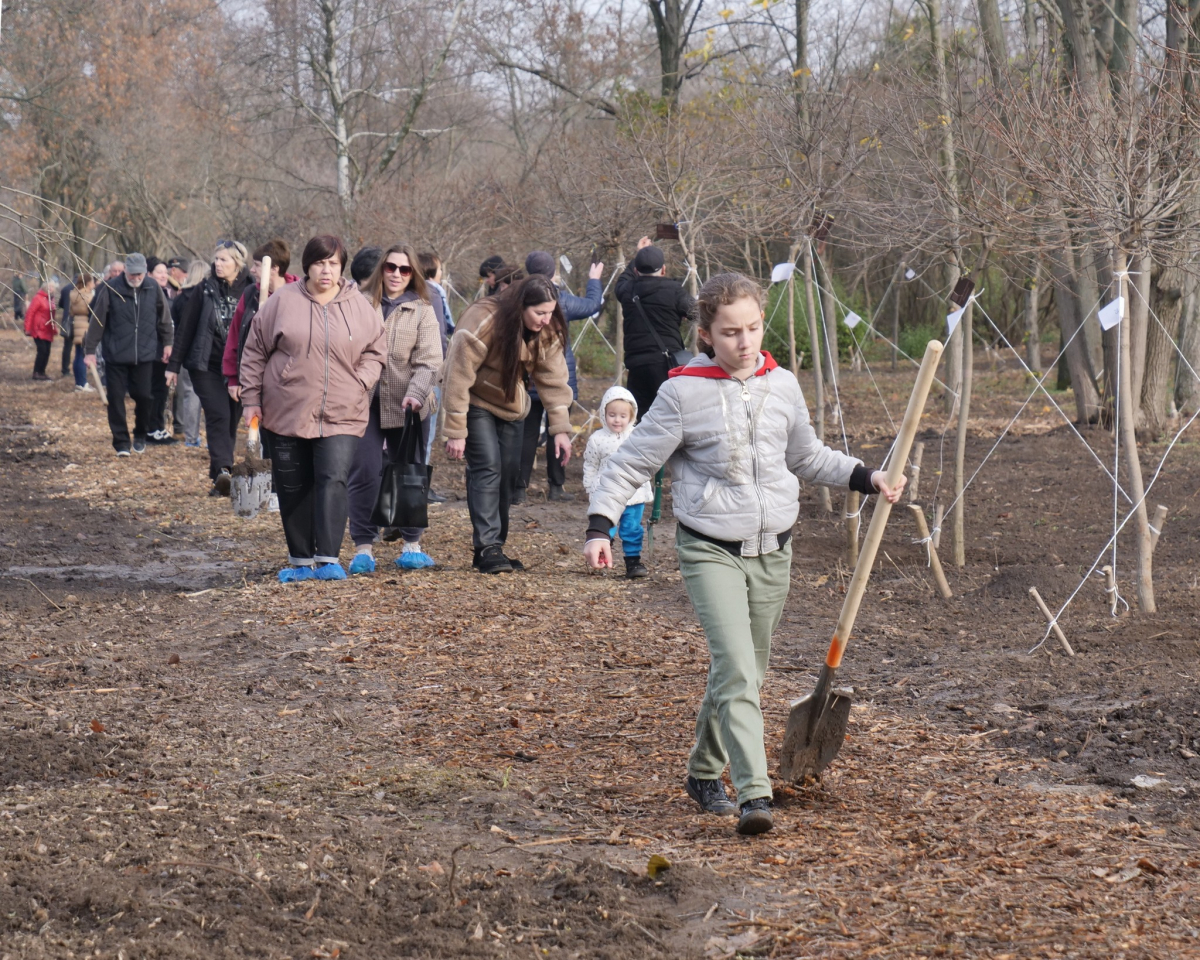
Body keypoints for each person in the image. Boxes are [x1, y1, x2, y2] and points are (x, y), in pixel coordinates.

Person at [584, 272, 903, 836]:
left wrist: (867, 476)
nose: (746, 341)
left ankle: (703, 772)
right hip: (709, 549)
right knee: (736, 667)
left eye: (753, 327)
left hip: (773, 551)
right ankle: (755, 793)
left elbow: (808, 457)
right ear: (706, 334)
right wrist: (599, 527)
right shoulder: (682, 393)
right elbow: (631, 462)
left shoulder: (782, 385)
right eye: (731, 332)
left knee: (745, 674)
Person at [239, 235, 386, 583]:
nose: (326, 270)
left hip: (343, 410)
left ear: (341, 268)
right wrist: (251, 400)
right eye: (320, 262)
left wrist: (360, 382)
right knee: (293, 484)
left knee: (333, 478)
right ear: (307, 266)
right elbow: (255, 351)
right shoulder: (282, 301)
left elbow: (376, 350)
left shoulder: (358, 305)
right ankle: (301, 559)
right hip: (286, 409)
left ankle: (328, 557)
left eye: (333, 263)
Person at [442, 275, 573, 574]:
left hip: (511, 404)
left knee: (507, 473)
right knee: (487, 467)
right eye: (539, 313)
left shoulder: (548, 329)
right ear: (520, 307)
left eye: (550, 312)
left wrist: (561, 430)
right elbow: (457, 377)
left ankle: (494, 546)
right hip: (474, 399)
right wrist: (456, 431)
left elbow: (553, 382)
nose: (546, 319)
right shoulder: (483, 320)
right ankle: (487, 546)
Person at [345, 244, 443, 574]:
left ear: (413, 273)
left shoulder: (424, 308)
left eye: (404, 269)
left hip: (409, 403)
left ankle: (412, 544)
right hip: (365, 401)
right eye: (390, 267)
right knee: (364, 471)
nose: (396, 275)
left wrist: (416, 393)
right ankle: (363, 547)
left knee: (410, 470)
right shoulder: (357, 303)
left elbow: (431, 359)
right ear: (380, 269)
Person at [515, 251, 604, 503]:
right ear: (554, 273)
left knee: (527, 433)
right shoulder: (561, 300)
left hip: (529, 378)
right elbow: (592, 304)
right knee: (559, 429)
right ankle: (556, 487)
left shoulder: (521, 300)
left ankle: (519, 489)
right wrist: (594, 280)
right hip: (560, 378)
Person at [166, 240, 252, 495]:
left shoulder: (251, 290)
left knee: (230, 421)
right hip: (206, 365)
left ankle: (218, 478)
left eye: (224, 260)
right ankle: (226, 469)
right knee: (219, 416)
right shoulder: (204, 289)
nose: (218, 264)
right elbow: (186, 329)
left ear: (237, 263)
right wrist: (173, 366)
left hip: (239, 368)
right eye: (216, 259)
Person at [83, 253, 173, 456]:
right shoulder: (110, 288)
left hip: (145, 354)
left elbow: (164, 318)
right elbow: (97, 321)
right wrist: (90, 351)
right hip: (115, 354)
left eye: (140, 274)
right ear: (125, 271)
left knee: (144, 396)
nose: (136, 278)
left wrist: (168, 343)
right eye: (132, 274)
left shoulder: (153, 287)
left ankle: (140, 433)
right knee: (115, 398)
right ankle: (121, 442)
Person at [616, 237, 698, 420]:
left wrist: (638, 254)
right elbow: (697, 313)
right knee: (671, 417)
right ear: (663, 270)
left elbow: (623, 279)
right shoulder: (674, 290)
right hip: (666, 365)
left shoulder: (627, 290)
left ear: (636, 270)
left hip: (636, 367)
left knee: (641, 419)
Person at [582, 386, 652, 578]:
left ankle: (633, 560)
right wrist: (590, 487)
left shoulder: (637, 436)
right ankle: (603, 558)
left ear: (632, 416)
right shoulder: (598, 439)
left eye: (622, 416)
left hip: (634, 494)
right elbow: (591, 465)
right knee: (607, 527)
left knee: (632, 528)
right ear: (604, 414)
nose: (617, 420)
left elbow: (646, 461)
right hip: (605, 494)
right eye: (612, 415)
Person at [222, 239, 298, 399]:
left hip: (290, 382)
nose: (252, 270)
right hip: (256, 377)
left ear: (274, 269)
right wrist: (233, 378)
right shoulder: (250, 294)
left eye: (257, 265)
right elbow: (235, 335)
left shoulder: (300, 295)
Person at [171, 261, 206, 447]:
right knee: (211, 395)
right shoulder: (209, 297)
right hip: (207, 351)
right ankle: (212, 438)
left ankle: (191, 437)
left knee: (190, 393)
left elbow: (176, 325)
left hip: (185, 351)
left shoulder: (181, 298)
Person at [144, 258, 177, 445]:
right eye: (159, 272)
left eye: (165, 272)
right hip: (152, 352)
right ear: (149, 275)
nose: (164, 275)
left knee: (162, 392)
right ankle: (151, 428)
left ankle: (158, 426)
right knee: (153, 391)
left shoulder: (168, 294)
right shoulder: (149, 296)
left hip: (165, 350)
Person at [25, 279, 58, 381]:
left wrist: (54, 328)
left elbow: (52, 315)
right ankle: (36, 372)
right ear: (44, 287)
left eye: (52, 287)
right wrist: (27, 328)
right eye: (49, 287)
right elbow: (30, 313)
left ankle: (42, 372)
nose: (50, 289)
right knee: (42, 350)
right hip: (38, 328)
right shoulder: (38, 298)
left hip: (47, 329)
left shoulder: (51, 300)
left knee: (47, 351)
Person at [68, 274, 95, 390]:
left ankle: (79, 382)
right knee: (83, 356)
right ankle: (83, 383)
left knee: (78, 354)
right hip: (86, 326)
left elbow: (70, 312)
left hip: (76, 324)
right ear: (88, 283)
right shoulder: (88, 297)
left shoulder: (74, 295)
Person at [57, 274, 75, 377]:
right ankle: (81, 368)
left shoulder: (65, 289)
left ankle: (65, 369)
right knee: (80, 349)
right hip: (79, 322)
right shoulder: (85, 289)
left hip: (66, 321)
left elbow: (61, 305)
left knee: (67, 347)